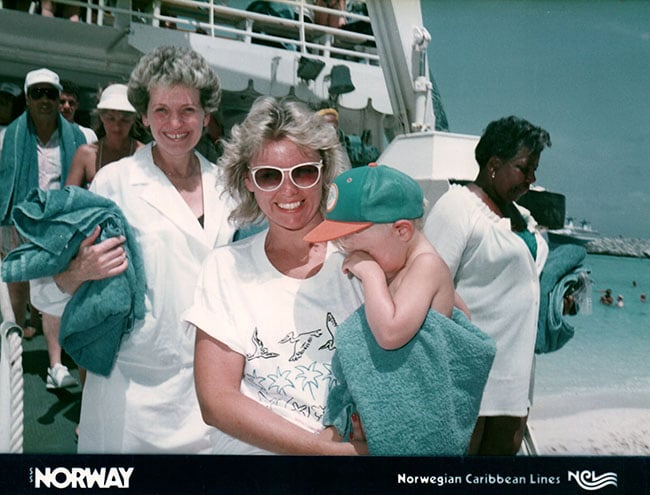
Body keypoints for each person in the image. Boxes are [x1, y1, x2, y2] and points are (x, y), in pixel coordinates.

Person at [52, 46, 236, 453]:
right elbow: (59, 283)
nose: (175, 123)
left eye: (188, 110)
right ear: (145, 116)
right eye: (161, 110)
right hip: (131, 388)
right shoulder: (112, 183)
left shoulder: (227, 185)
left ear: (206, 116)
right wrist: (81, 269)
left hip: (212, 385)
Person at [186, 96, 367, 455]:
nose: (288, 190)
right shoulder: (225, 268)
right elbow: (217, 400)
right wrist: (327, 452)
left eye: (303, 172)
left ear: (324, 171)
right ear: (247, 182)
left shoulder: (363, 261)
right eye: (269, 176)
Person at [303, 164, 494, 455]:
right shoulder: (409, 267)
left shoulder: (427, 265)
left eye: (353, 243)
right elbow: (461, 313)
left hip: (417, 424)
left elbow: (390, 333)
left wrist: (371, 275)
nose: (345, 251)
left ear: (401, 230)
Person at [424, 115, 552, 455]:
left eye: (535, 169)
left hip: (515, 379)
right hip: (468, 380)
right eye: (525, 168)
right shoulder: (457, 208)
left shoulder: (522, 217)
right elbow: (426, 291)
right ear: (494, 165)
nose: (532, 178)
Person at [0, 68, 87, 385]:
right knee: (18, 290)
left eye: (51, 93)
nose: (46, 100)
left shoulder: (80, 137)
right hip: (18, 221)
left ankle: (55, 365)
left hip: (60, 225)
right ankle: (13, 352)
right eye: (38, 93)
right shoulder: (7, 137)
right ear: (27, 98)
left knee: (55, 289)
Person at [66, 84, 145, 188]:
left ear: (133, 119)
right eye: (111, 119)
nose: (117, 127)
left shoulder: (144, 155)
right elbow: (69, 197)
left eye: (124, 120)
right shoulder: (85, 154)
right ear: (101, 117)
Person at [59, 80, 98, 145]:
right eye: (62, 102)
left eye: (71, 103)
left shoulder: (88, 135)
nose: (67, 106)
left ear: (77, 105)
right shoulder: (44, 133)